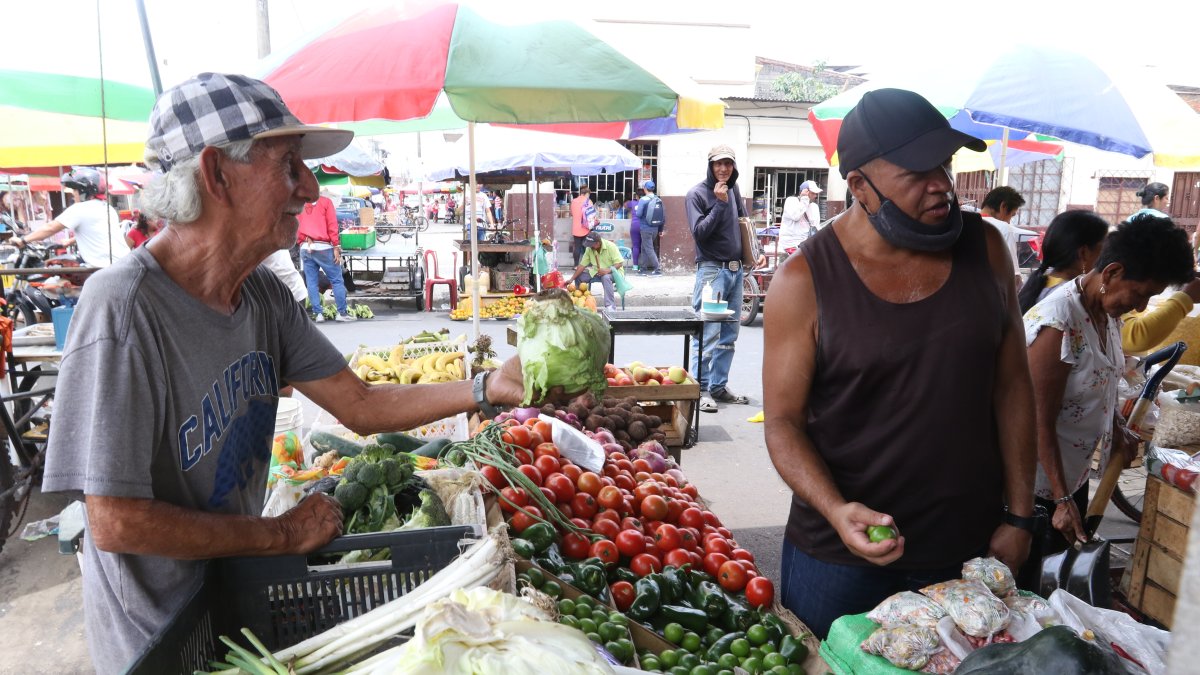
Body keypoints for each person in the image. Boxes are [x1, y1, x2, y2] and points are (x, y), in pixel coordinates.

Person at [40, 73, 535, 674]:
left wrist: (486, 387)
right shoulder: (123, 309)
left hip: (239, 595)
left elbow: (359, 404)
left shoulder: (264, 297)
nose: (309, 186)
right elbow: (116, 521)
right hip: (160, 636)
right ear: (216, 174)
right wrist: (278, 535)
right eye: (289, 165)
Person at [762, 88, 1038, 638]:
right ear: (858, 184)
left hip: (970, 551)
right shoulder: (804, 281)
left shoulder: (986, 250)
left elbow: (1012, 387)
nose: (940, 183)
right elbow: (782, 424)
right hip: (839, 561)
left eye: (945, 163)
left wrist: (1019, 516)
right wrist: (837, 510)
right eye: (916, 170)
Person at [1023, 215, 1194, 587]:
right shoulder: (1058, 324)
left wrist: (1115, 427)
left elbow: (1099, 386)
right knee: (1031, 586)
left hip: (1071, 475)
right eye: (1141, 294)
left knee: (1059, 587)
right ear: (1112, 272)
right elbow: (1036, 419)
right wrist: (1062, 499)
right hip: (1035, 487)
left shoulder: (1105, 313)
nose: (1140, 306)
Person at [686, 145, 751, 413]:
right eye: (718, 164)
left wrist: (752, 252)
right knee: (707, 333)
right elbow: (699, 233)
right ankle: (699, 389)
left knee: (728, 335)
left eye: (728, 164)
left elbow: (743, 221)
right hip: (712, 272)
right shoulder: (697, 194)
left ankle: (718, 386)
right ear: (710, 166)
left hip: (735, 271)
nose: (723, 169)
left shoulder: (733, 189)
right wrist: (719, 205)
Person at [12, 167, 131, 267]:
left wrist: (23, 240)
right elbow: (97, 231)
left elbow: (51, 227)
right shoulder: (106, 208)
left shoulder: (80, 209)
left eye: (75, 190)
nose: (73, 194)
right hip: (122, 265)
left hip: (105, 269)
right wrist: (69, 241)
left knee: (60, 287)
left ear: (85, 191)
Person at [1017, 210, 1108, 314]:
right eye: (1104, 248)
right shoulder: (1073, 297)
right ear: (1083, 253)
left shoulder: (1037, 285)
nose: (1106, 255)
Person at [296, 193, 354, 322]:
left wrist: (305, 238)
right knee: (336, 280)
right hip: (324, 248)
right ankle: (342, 313)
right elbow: (332, 225)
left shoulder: (299, 203)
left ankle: (318, 314)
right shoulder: (326, 202)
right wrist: (336, 246)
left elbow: (296, 226)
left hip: (306, 248)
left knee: (311, 282)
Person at [980, 186, 1027, 284]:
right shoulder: (1004, 229)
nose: (1009, 222)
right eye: (1012, 215)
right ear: (1003, 207)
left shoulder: (964, 223)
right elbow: (1014, 278)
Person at [567, 231, 622, 310]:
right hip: (597, 272)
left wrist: (607, 270)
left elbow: (619, 263)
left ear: (598, 243)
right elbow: (582, 265)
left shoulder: (611, 246)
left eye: (591, 245)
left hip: (613, 272)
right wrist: (571, 279)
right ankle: (580, 301)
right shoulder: (589, 249)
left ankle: (610, 306)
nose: (590, 247)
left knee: (606, 277)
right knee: (579, 276)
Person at [777, 180, 823, 255]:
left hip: (806, 245)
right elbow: (795, 216)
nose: (815, 196)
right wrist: (804, 199)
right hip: (790, 245)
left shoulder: (814, 206)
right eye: (813, 193)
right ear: (804, 192)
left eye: (816, 193)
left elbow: (816, 226)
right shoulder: (791, 201)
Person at [634, 181, 662, 275]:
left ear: (645, 189)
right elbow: (663, 215)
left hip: (645, 228)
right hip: (655, 228)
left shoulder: (643, 200)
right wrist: (660, 229)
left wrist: (637, 209)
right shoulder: (658, 199)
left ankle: (658, 269)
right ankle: (643, 268)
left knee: (648, 248)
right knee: (644, 247)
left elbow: (638, 214)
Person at [571, 184, 598, 265]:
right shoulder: (588, 202)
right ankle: (587, 264)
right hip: (586, 228)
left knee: (577, 247)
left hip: (576, 228)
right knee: (587, 247)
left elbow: (572, 213)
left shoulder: (574, 201)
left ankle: (576, 265)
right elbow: (592, 216)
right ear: (587, 194)